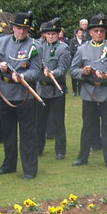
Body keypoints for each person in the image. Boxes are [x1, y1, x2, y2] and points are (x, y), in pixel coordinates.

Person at [0, 11, 42, 179]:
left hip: (25, 94)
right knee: (8, 132)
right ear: (13, 27)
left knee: (28, 133)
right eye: (18, 28)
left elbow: (36, 70)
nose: (21, 31)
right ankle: (9, 165)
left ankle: (30, 169)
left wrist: (23, 76)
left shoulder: (35, 46)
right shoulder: (1, 42)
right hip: (5, 93)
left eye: (25, 28)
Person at [71, 14, 107, 169]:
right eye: (96, 31)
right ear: (90, 32)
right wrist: (83, 72)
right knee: (87, 127)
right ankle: (83, 157)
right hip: (89, 92)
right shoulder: (82, 49)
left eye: (101, 31)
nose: (99, 33)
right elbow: (73, 70)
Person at [34, 18, 71, 160]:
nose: (50, 36)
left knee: (58, 122)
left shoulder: (63, 48)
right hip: (41, 89)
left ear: (58, 34)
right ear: (44, 34)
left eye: (53, 34)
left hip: (56, 89)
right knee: (40, 121)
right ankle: (38, 148)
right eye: (48, 34)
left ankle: (60, 150)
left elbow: (62, 69)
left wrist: (52, 73)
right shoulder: (38, 47)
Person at [70, 20, 88, 95]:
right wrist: (79, 53)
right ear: (76, 34)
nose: (81, 34)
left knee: (81, 74)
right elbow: (71, 51)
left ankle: (80, 90)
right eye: (79, 33)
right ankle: (75, 91)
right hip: (74, 60)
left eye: (82, 33)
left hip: (82, 61)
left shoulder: (85, 41)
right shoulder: (72, 41)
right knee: (74, 76)